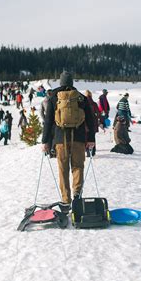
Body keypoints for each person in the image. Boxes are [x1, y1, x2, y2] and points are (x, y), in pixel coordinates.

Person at [41, 71, 95, 211]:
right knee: (78, 166)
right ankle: (77, 194)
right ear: (71, 82)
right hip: (78, 137)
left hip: (60, 138)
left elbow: (48, 121)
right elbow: (91, 119)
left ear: (60, 82)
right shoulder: (81, 98)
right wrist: (91, 139)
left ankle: (65, 200)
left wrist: (45, 141)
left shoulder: (54, 97)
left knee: (63, 168)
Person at [85, 90, 101, 156]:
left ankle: (88, 151)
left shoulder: (84, 103)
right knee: (92, 136)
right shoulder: (94, 104)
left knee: (86, 137)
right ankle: (93, 151)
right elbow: (98, 113)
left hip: (86, 122)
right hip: (93, 123)